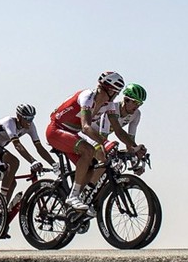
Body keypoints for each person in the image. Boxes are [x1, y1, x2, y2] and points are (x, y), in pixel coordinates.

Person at [47, 72, 135, 212]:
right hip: (56, 130)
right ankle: (73, 197)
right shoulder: (87, 97)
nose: (116, 96)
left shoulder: (109, 104)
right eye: (115, 92)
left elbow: (118, 130)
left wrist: (134, 148)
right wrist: (105, 143)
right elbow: (86, 127)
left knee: (92, 166)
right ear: (106, 89)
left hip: (72, 133)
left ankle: (77, 201)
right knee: (88, 150)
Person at [0, 104, 53, 233]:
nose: (29, 122)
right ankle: (0, 202)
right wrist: (33, 161)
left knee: (12, 182)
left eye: (32, 119)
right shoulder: (9, 122)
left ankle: (0, 216)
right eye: (27, 119)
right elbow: (17, 145)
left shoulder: (30, 126)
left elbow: (39, 147)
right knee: (14, 162)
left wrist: (54, 164)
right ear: (19, 117)